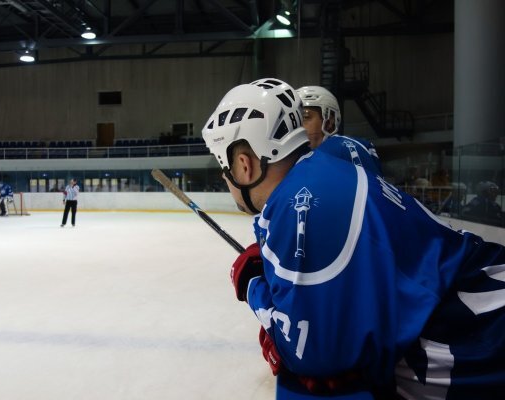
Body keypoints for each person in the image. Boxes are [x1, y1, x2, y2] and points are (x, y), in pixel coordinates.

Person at [202, 78, 505, 399]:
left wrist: (253, 287)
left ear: (244, 165)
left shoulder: (302, 209)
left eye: (225, 167)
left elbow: (314, 353)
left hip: (482, 341)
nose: (225, 177)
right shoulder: (322, 172)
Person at [296, 86, 382, 176]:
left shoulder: (344, 147)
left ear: (329, 122)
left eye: (305, 117)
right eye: (296, 119)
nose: (298, 125)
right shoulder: (296, 156)